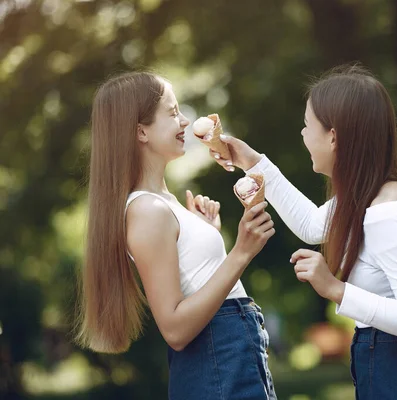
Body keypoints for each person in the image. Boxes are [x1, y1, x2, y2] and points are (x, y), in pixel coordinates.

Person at [213, 65, 397, 399]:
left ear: (333, 136)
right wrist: (253, 162)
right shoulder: (365, 197)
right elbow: (311, 225)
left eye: (308, 126)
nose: (303, 134)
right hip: (391, 368)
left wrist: (335, 289)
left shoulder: (387, 210)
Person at [75, 72, 278, 400]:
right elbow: (175, 330)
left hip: (231, 356)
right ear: (140, 131)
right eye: (171, 113)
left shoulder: (166, 204)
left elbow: (196, 286)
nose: (184, 120)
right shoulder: (147, 211)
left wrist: (208, 235)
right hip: (217, 363)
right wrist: (241, 252)